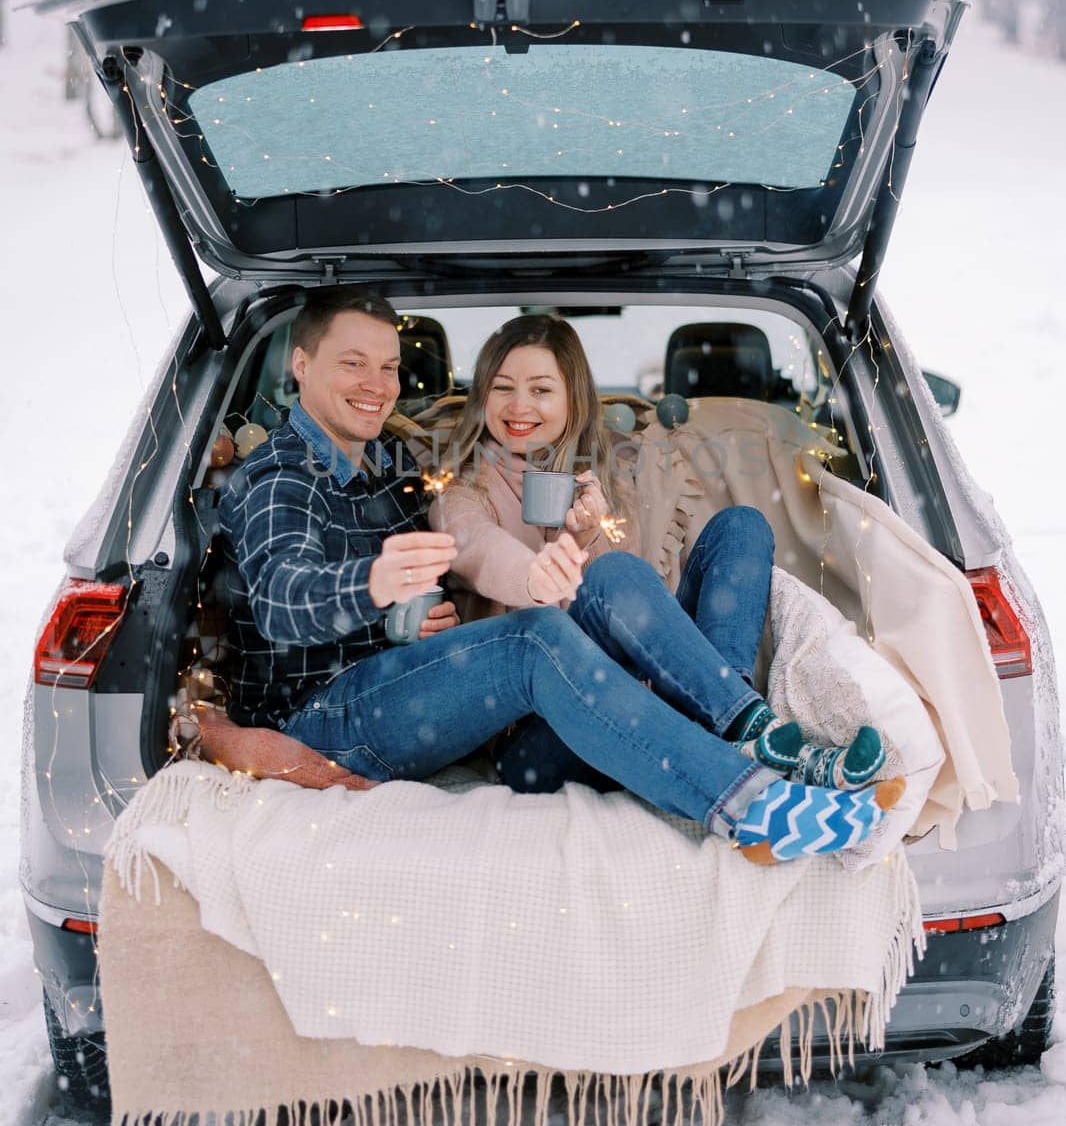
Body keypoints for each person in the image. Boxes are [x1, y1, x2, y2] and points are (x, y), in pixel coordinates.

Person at [207, 285, 899, 865]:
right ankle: (753, 800)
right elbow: (281, 597)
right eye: (353, 363)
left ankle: (738, 732)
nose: (377, 385)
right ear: (299, 364)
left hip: (400, 687)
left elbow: (581, 601)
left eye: (389, 368)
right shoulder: (280, 478)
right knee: (535, 634)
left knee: (733, 530)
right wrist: (375, 585)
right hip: (324, 717)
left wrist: (406, 614)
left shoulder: (384, 468)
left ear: (573, 398)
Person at [433, 314, 885, 794]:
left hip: (633, 710)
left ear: (572, 401)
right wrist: (549, 566)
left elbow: (636, 620)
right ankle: (746, 726)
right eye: (503, 388)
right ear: (483, 397)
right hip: (537, 734)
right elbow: (483, 554)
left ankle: (733, 726)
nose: (520, 405)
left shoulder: (604, 482)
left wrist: (590, 533)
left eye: (541, 390)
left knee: (742, 525)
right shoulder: (458, 493)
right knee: (612, 575)